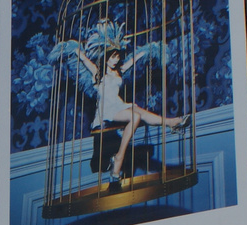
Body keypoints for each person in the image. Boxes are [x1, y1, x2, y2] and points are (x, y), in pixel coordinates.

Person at [62, 41, 189, 189]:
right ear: (106, 58)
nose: (115, 60)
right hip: (106, 110)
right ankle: (119, 157)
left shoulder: (119, 71)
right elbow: (84, 59)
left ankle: (171, 123)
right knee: (135, 116)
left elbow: (132, 61)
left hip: (119, 104)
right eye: (112, 57)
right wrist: (74, 49)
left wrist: (147, 51)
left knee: (139, 111)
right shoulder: (97, 71)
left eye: (117, 57)